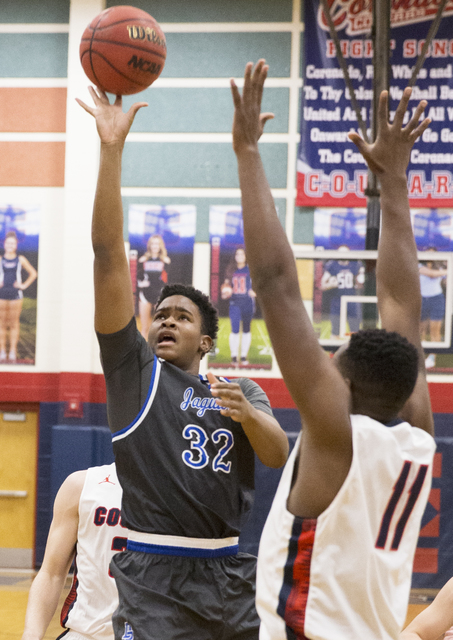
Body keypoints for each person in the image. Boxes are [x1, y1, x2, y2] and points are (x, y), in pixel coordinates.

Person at [231, 60, 435, 640]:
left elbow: (274, 283)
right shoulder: (416, 438)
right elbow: (402, 304)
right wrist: (394, 185)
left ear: (340, 386)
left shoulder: (334, 432)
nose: (326, 359)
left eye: (335, 357)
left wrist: (248, 154)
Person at [76, 86, 288, 640]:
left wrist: (249, 415)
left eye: (182, 317)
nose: (165, 321)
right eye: (160, 314)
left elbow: (277, 452)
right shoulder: (136, 374)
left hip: (228, 571)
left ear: (207, 341)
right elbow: (105, 257)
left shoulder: (238, 391)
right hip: (154, 574)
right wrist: (111, 150)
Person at [21, 463, 124, 640]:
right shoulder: (82, 484)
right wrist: (31, 635)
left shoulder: (181, 490)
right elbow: (51, 573)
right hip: (86, 633)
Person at [0, 230, 37, 362]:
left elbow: (33, 273)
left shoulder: (20, 259)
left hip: (16, 295)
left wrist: (24, 285)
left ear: (15, 245)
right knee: (2, 324)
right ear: (5, 244)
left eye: (13, 244)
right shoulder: (0, 259)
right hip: (2, 295)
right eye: (8, 243)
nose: (10, 246)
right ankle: (2, 351)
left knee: (14, 324)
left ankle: (12, 352)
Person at [320, 245, 364, 338]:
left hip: (352, 300)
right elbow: (323, 285)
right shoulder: (332, 265)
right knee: (335, 330)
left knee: (355, 329)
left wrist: (359, 281)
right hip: (337, 301)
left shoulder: (355, 264)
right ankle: (333, 351)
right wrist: (330, 285)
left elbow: (361, 281)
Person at [222, 246, 256, 365]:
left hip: (247, 302)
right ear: (234, 256)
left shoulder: (250, 269)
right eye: (237, 254)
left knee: (246, 329)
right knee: (235, 329)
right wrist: (225, 291)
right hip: (235, 302)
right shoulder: (231, 270)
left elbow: (257, 284)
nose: (240, 257)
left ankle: (243, 356)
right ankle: (234, 356)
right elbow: (225, 285)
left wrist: (254, 291)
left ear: (246, 256)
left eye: (242, 254)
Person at [137, 233, 171, 339]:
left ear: (160, 246)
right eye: (153, 244)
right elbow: (136, 277)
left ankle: (158, 353)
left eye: (157, 244)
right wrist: (141, 283)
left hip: (159, 294)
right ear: (149, 246)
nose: (155, 246)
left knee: (160, 327)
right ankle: (144, 354)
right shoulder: (143, 260)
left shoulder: (165, 261)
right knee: (145, 327)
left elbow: (168, 279)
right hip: (145, 294)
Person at [419, 248, 447, 369]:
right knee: (421, 330)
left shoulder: (440, 267)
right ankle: (420, 356)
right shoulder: (418, 265)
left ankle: (432, 357)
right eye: (428, 252)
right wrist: (448, 269)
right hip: (422, 299)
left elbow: (445, 281)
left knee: (435, 330)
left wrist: (445, 274)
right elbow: (431, 274)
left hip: (437, 299)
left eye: (433, 253)